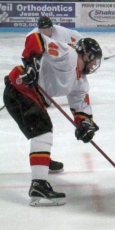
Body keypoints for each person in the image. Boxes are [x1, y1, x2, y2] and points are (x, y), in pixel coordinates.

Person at [3, 34, 103, 206]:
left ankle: (42, 160)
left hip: (27, 94)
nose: (95, 65)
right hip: (20, 87)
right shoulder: (68, 55)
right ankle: (39, 184)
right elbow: (36, 39)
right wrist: (32, 64)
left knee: (40, 131)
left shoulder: (80, 82)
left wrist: (85, 124)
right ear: (86, 55)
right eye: (94, 60)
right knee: (42, 131)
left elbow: (80, 108)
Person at [25, 16, 83, 173]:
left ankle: (43, 160)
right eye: (42, 29)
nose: (46, 32)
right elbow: (28, 58)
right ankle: (43, 161)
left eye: (48, 29)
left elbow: (79, 39)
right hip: (43, 80)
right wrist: (32, 73)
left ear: (52, 27)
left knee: (42, 127)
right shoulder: (32, 36)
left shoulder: (63, 33)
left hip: (60, 73)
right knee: (42, 126)